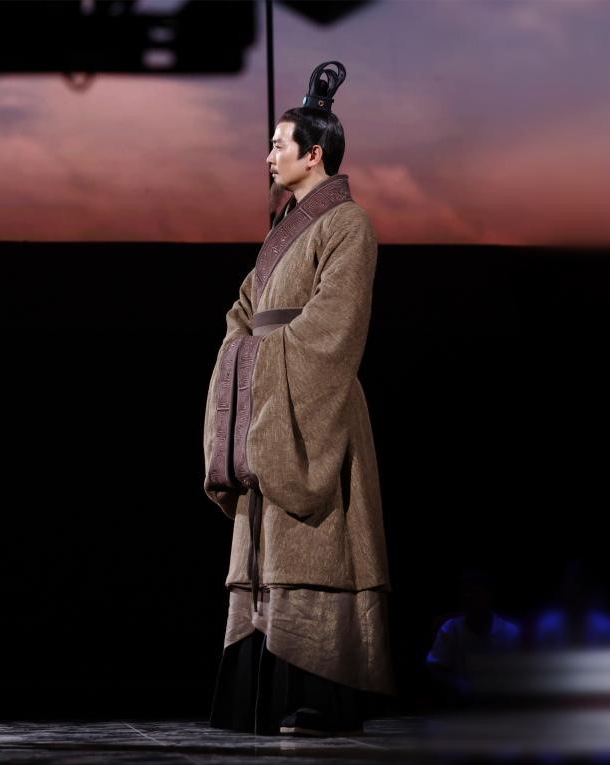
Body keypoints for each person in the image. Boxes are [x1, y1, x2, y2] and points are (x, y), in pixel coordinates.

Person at [204, 62, 394, 737]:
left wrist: (261, 358)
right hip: (266, 402)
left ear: (314, 155)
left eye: (278, 145)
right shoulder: (281, 232)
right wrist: (241, 354)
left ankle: (320, 695)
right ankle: (258, 696)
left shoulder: (349, 225)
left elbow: (335, 324)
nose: (268, 157)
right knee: (265, 547)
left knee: (316, 544)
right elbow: (243, 309)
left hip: (314, 404)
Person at [426, 570, 521, 708]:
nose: (468, 597)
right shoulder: (450, 628)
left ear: (489, 595)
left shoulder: (510, 633)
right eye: (464, 592)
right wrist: (458, 685)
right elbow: (435, 667)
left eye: (475, 592)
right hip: (460, 706)